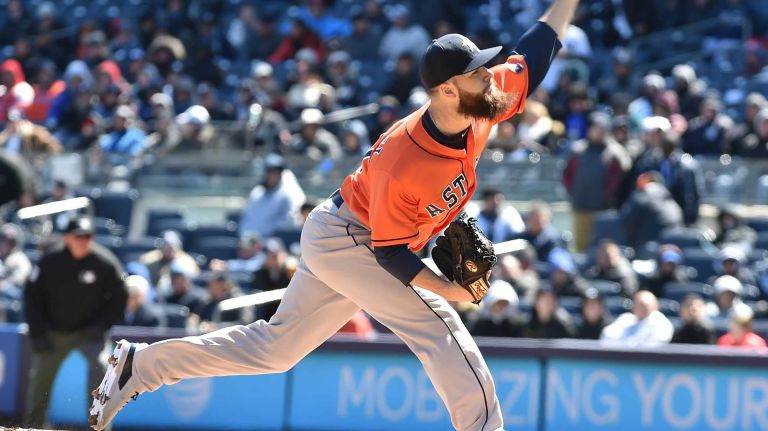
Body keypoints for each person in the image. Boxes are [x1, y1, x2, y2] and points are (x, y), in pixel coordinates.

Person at [89, 2, 578, 430]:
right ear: (447, 91)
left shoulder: (482, 103)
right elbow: (390, 253)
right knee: (438, 323)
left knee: (275, 350)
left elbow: (534, 53)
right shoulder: (404, 160)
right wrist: (450, 290)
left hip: (347, 234)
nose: (488, 75)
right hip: (352, 239)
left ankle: (142, 367)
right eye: (475, 71)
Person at [24, 217, 127, 428]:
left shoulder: (104, 262)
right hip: (54, 333)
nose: (83, 241)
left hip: (89, 333)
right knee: (40, 378)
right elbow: (31, 296)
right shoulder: (49, 261)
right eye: (78, 236)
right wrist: (38, 332)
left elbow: (120, 295)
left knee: (102, 368)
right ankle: (33, 427)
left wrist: (102, 325)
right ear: (67, 238)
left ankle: (99, 426)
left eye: (87, 236)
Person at [562, 111, 631, 251]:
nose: (599, 132)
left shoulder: (614, 152)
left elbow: (623, 173)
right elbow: (567, 175)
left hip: (603, 209)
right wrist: (573, 192)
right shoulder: (578, 150)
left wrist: (608, 196)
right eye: (596, 128)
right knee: (581, 247)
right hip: (581, 206)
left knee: (603, 247)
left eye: (603, 129)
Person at [620, 172, 684, 250]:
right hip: (674, 242)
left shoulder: (641, 196)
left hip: (651, 245)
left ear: (645, 180)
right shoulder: (668, 196)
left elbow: (626, 220)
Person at [600, 290, 674, 347]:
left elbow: (657, 344)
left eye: (645, 306)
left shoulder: (661, 323)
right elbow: (607, 336)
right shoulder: (626, 318)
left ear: (655, 306)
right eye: (638, 305)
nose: (642, 309)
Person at [0, 223, 32, 299]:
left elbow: (21, 277)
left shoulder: (20, 259)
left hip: (12, 296)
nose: (6, 243)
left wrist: (4, 284)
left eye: (10, 241)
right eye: (3, 239)